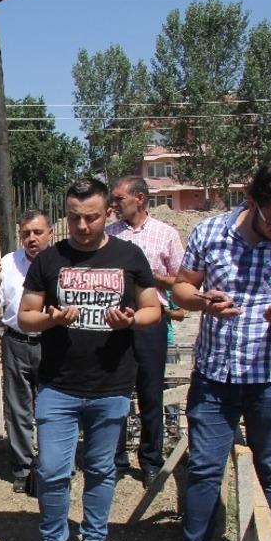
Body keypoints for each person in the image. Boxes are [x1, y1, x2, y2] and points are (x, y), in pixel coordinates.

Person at [170, 161, 271, 541]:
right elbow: (180, 287)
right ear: (251, 202)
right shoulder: (210, 233)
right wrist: (202, 301)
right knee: (204, 470)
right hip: (215, 377)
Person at [18, 178, 160, 541]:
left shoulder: (129, 256)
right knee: (51, 471)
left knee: (100, 470)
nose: (83, 227)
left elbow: (153, 309)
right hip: (58, 385)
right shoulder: (50, 259)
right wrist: (51, 319)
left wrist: (129, 321)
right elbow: (25, 316)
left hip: (111, 384)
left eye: (92, 218)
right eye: (75, 218)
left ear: (107, 213)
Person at [107, 176, 185, 488]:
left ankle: (151, 460)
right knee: (114, 392)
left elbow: (183, 280)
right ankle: (114, 459)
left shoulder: (165, 234)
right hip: (116, 323)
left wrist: (154, 279)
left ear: (139, 198)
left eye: (119, 198)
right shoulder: (109, 235)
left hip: (151, 323)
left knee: (151, 393)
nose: (113, 204)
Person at [0, 210, 53, 494]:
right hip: (16, 342)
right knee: (18, 409)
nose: (32, 238)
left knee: (54, 408)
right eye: (26, 233)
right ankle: (23, 469)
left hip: (53, 343)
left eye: (37, 232)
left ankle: (52, 466)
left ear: (50, 232)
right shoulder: (7, 263)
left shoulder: (62, 262)